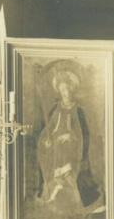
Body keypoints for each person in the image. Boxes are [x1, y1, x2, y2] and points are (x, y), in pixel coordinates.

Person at [35, 68, 100, 211]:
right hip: (56, 146)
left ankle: (74, 191)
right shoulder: (55, 109)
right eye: (63, 90)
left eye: (68, 89)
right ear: (59, 91)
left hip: (73, 148)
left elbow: (84, 134)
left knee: (67, 151)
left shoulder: (78, 110)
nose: (66, 92)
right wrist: (47, 139)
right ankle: (54, 189)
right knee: (54, 148)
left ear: (72, 90)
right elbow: (49, 129)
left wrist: (72, 137)